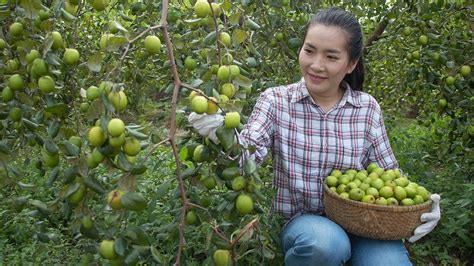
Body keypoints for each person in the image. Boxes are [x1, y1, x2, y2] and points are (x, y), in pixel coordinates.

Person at [189, 7, 441, 266]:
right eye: (309, 51)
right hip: (305, 224)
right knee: (322, 245)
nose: (316, 65)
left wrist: (422, 206)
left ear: (351, 64)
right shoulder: (276, 101)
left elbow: (389, 172)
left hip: (364, 222)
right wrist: (223, 134)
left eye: (331, 57)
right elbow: (248, 158)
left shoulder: (366, 108)